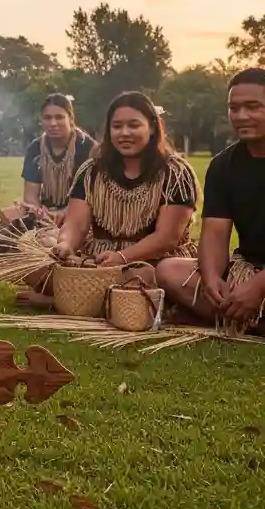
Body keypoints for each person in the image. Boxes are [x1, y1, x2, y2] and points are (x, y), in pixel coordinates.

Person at [156, 69, 265, 329]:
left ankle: (241, 318)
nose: (241, 116)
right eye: (234, 108)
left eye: (253, 107)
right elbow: (215, 235)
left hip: (259, 281)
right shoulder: (222, 166)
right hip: (247, 269)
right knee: (168, 271)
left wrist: (259, 285)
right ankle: (245, 316)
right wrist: (212, 279)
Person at [51, 91, 198, 284]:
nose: (125, 133)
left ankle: (73, 296)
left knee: (141, 278)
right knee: (43, 252)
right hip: (99, 259)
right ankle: (85, 292)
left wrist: (122, 257)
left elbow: (167, 238)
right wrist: (66, 244)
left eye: (134, 125)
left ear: (152, 127)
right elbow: (76, 225)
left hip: (155, 261)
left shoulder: (175, 173)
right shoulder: (91, 172)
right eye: (117, 126)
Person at [15, 94, 95, 225]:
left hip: (81, 213)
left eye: (59, 117)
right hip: (46, 215)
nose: (53, 123)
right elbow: (31, 196)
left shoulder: (88, 148)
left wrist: (65, 212)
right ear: (41, 120)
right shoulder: (35, 149)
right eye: (47, 118)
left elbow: (93, 195)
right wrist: (39, 211)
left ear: (71, 118)